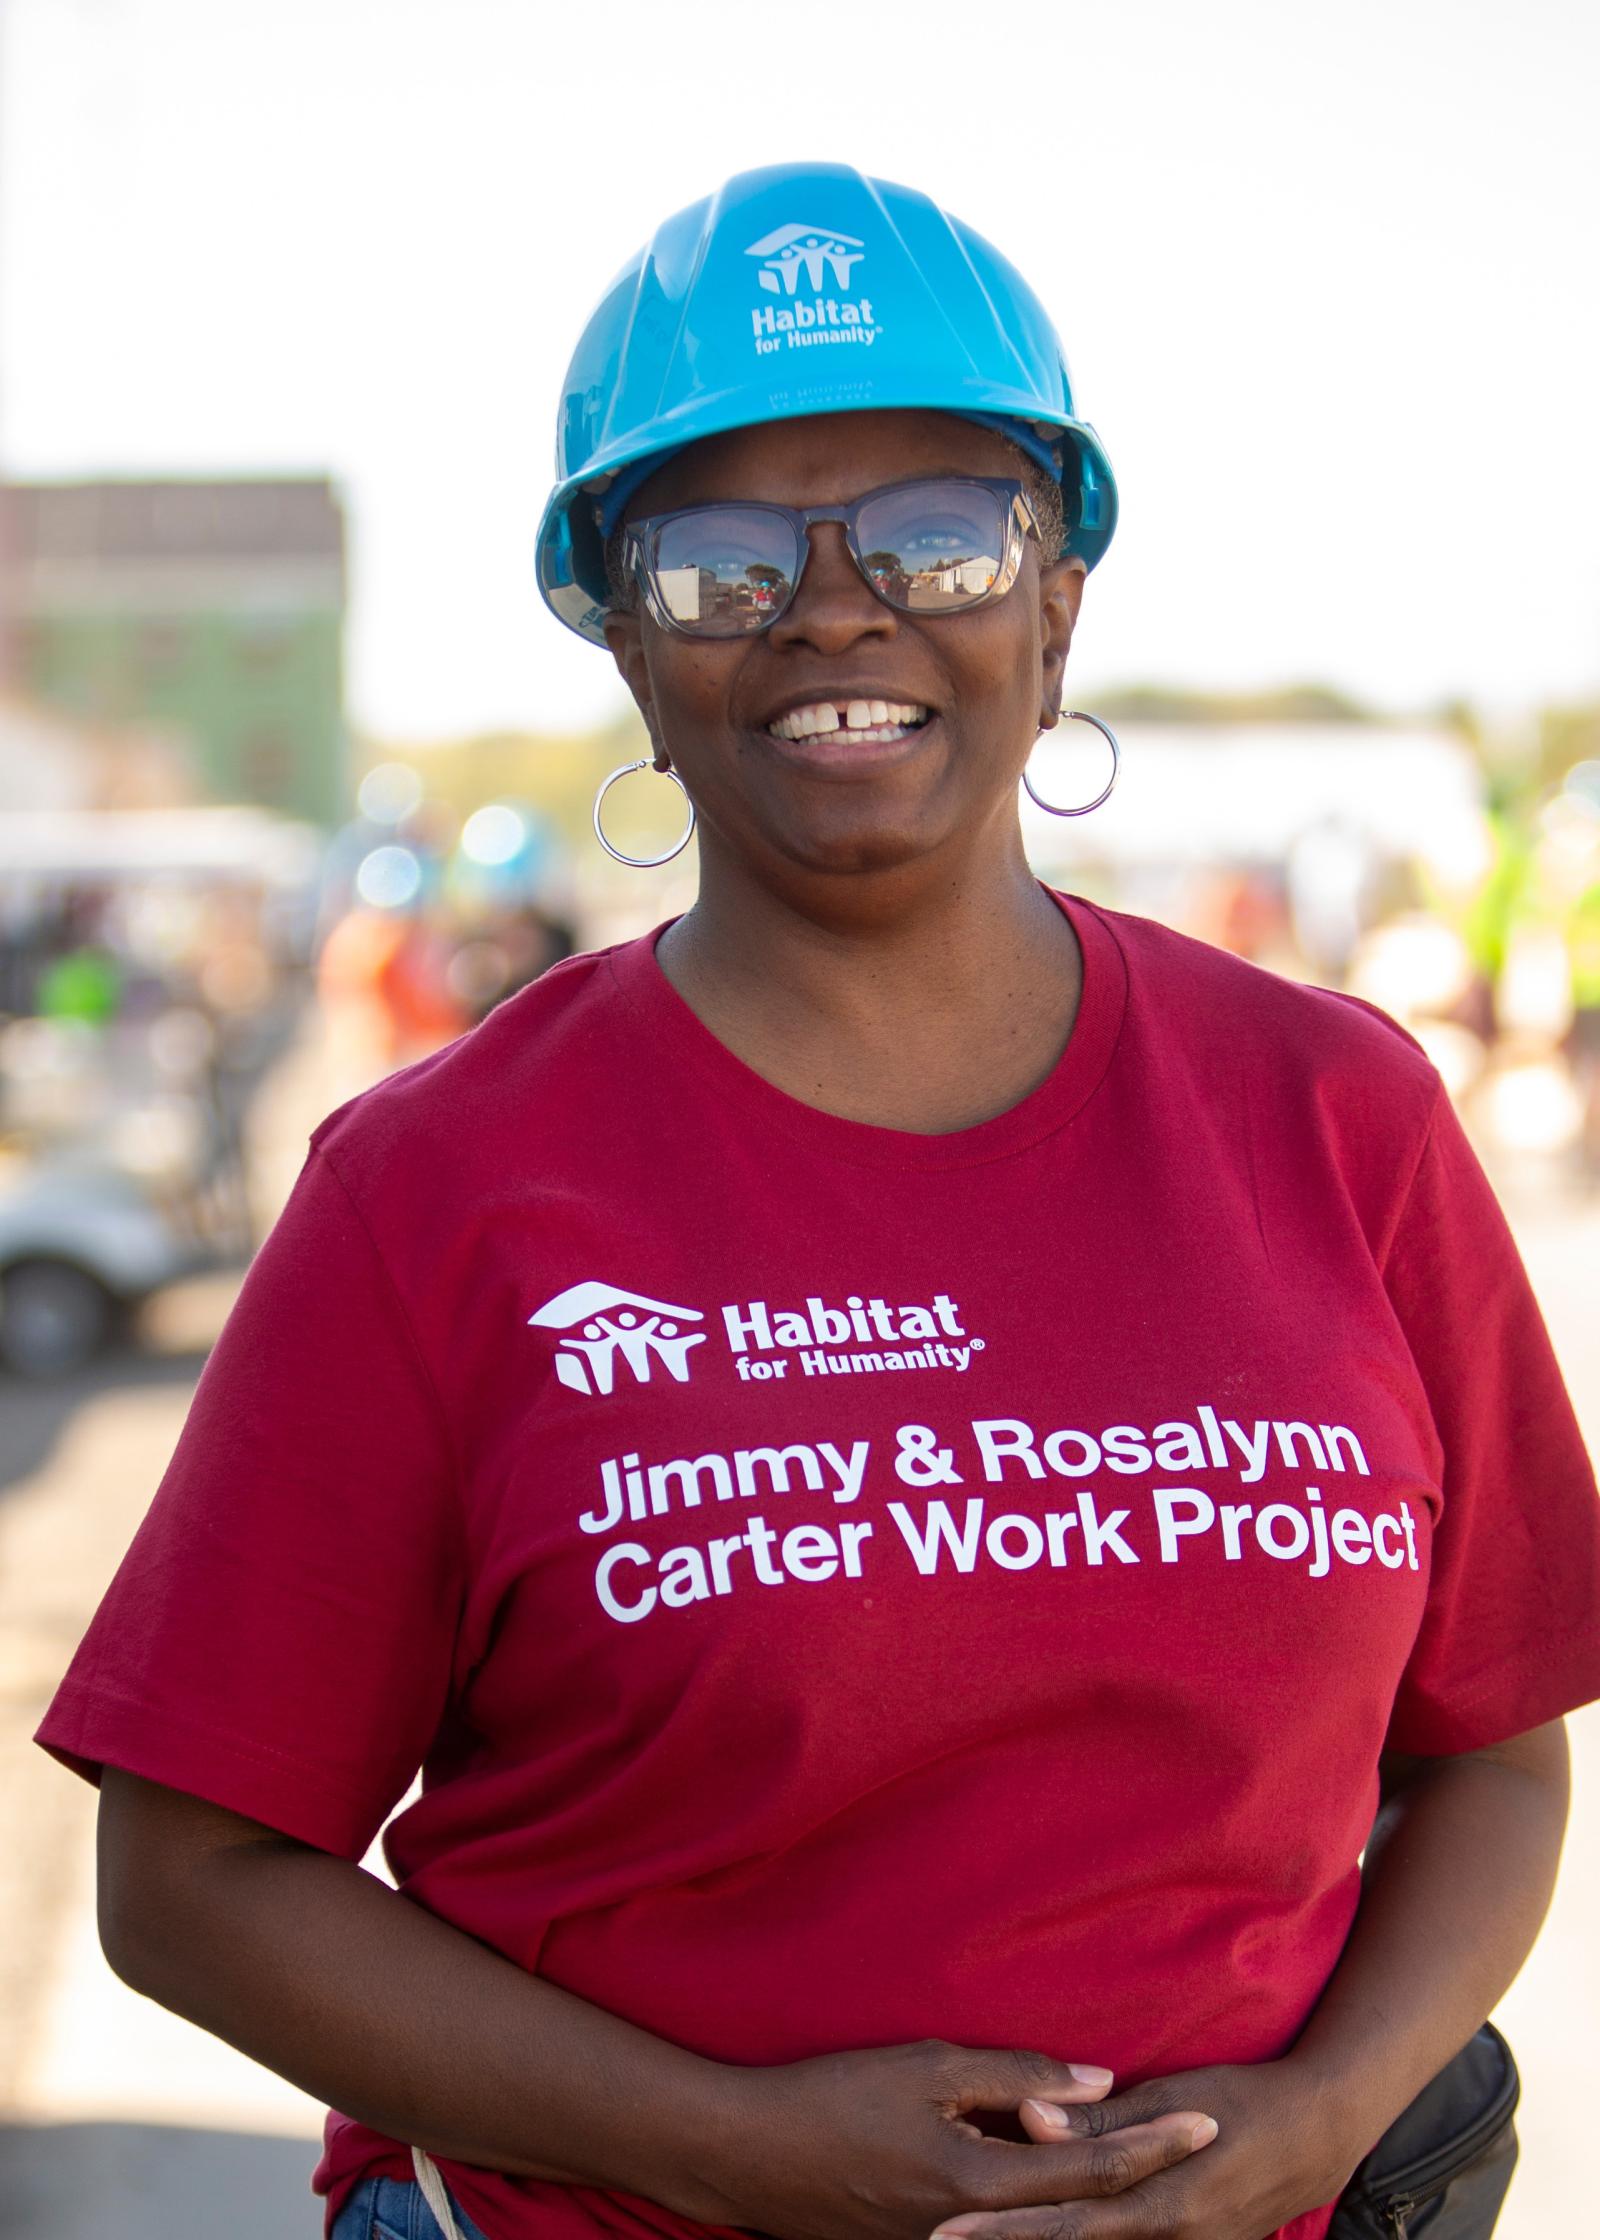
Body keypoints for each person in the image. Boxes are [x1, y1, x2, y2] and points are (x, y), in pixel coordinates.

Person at [34, 164, 1600, 2240]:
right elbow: (191, 1881)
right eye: (713, 557)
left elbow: (1492, 1751)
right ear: (618, 640)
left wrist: (1320, 2116)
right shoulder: (436, 1190)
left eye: (941, 536)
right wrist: (736, 2151)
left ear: (1058, 602)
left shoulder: (1336, 1113)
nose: (835, 606)